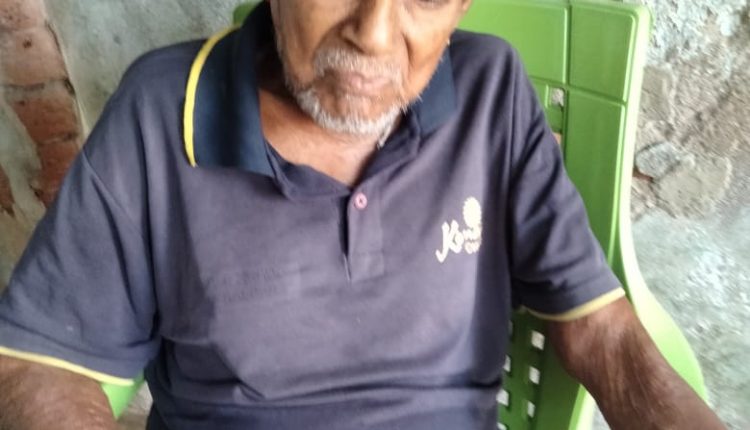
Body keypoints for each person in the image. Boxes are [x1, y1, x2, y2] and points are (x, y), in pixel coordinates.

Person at [0, 1, 726, 429]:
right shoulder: (161, 109)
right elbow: (36, 366)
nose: (373, 34)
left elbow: (601, 330)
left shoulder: (493, 93)